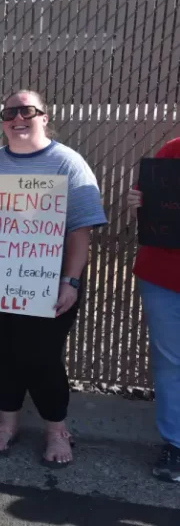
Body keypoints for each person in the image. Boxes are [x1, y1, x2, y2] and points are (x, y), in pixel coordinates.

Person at [0, 90, 107, 467]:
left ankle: (56, 429)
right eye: (9, 111)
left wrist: (72, 281)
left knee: (42, 356)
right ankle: (7, 421)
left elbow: (81, 230)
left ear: (44, 117)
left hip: (48, 281)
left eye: (27, 110)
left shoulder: (67, 162)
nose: (17, 117)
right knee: (4, 353)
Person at [127, 136, 180, 483]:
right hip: (164, 276)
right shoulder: (174, 149)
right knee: (171, 362)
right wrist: (138, 199)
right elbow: (150, 192)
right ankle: (175, 444)